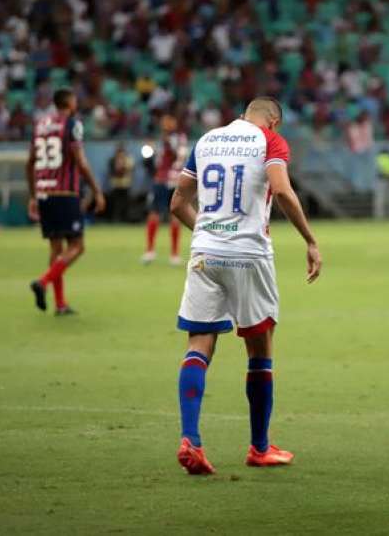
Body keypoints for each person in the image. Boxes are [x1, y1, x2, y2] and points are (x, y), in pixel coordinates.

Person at [169, 97, 322, 476]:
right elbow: (283, 192)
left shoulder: (206, 140)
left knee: (199, 344)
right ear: (274, 122)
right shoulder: (269, 141)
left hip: (205, 252)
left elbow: (177, 203)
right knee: (260, 348)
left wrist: (208, 233)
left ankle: (191, 439)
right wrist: (310, 240)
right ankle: (259, 447)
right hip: (248, 255)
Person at [27, 88, 106, 316]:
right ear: (70, 103)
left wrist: (33, 195)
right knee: (77, 246)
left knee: (56, 247)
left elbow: (29, 162)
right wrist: (96, 190)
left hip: (43, 193)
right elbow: (80, 162)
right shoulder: (73, 124)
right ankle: (43, 282)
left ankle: (60, 304)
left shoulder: (40, 124)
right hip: (65, 193)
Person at [142, 115, 188, 266]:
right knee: (154, 213)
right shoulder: (159, 140)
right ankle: (150, 251)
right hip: (160, 180)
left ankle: (174, 254)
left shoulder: (179, 139)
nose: (166, 125)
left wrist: (168, 142)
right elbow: (154, 160)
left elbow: (179, 157)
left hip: (174, 180)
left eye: (169, 122)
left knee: (174, 215)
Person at [107, 143, 134, 222]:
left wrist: (123, 165)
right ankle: (116, 218)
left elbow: (130, 169)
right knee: (116, 203)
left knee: (126, 202)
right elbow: (112, 171)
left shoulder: (128, 159)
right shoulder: (112, 160)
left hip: (125, 184)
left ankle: (125, 218)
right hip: (116, 184)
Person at [374, 148, 389, 218]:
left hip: (383, 180)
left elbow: (379, 170)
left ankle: (380, 216)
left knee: (381, 199)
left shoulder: (379, 158)